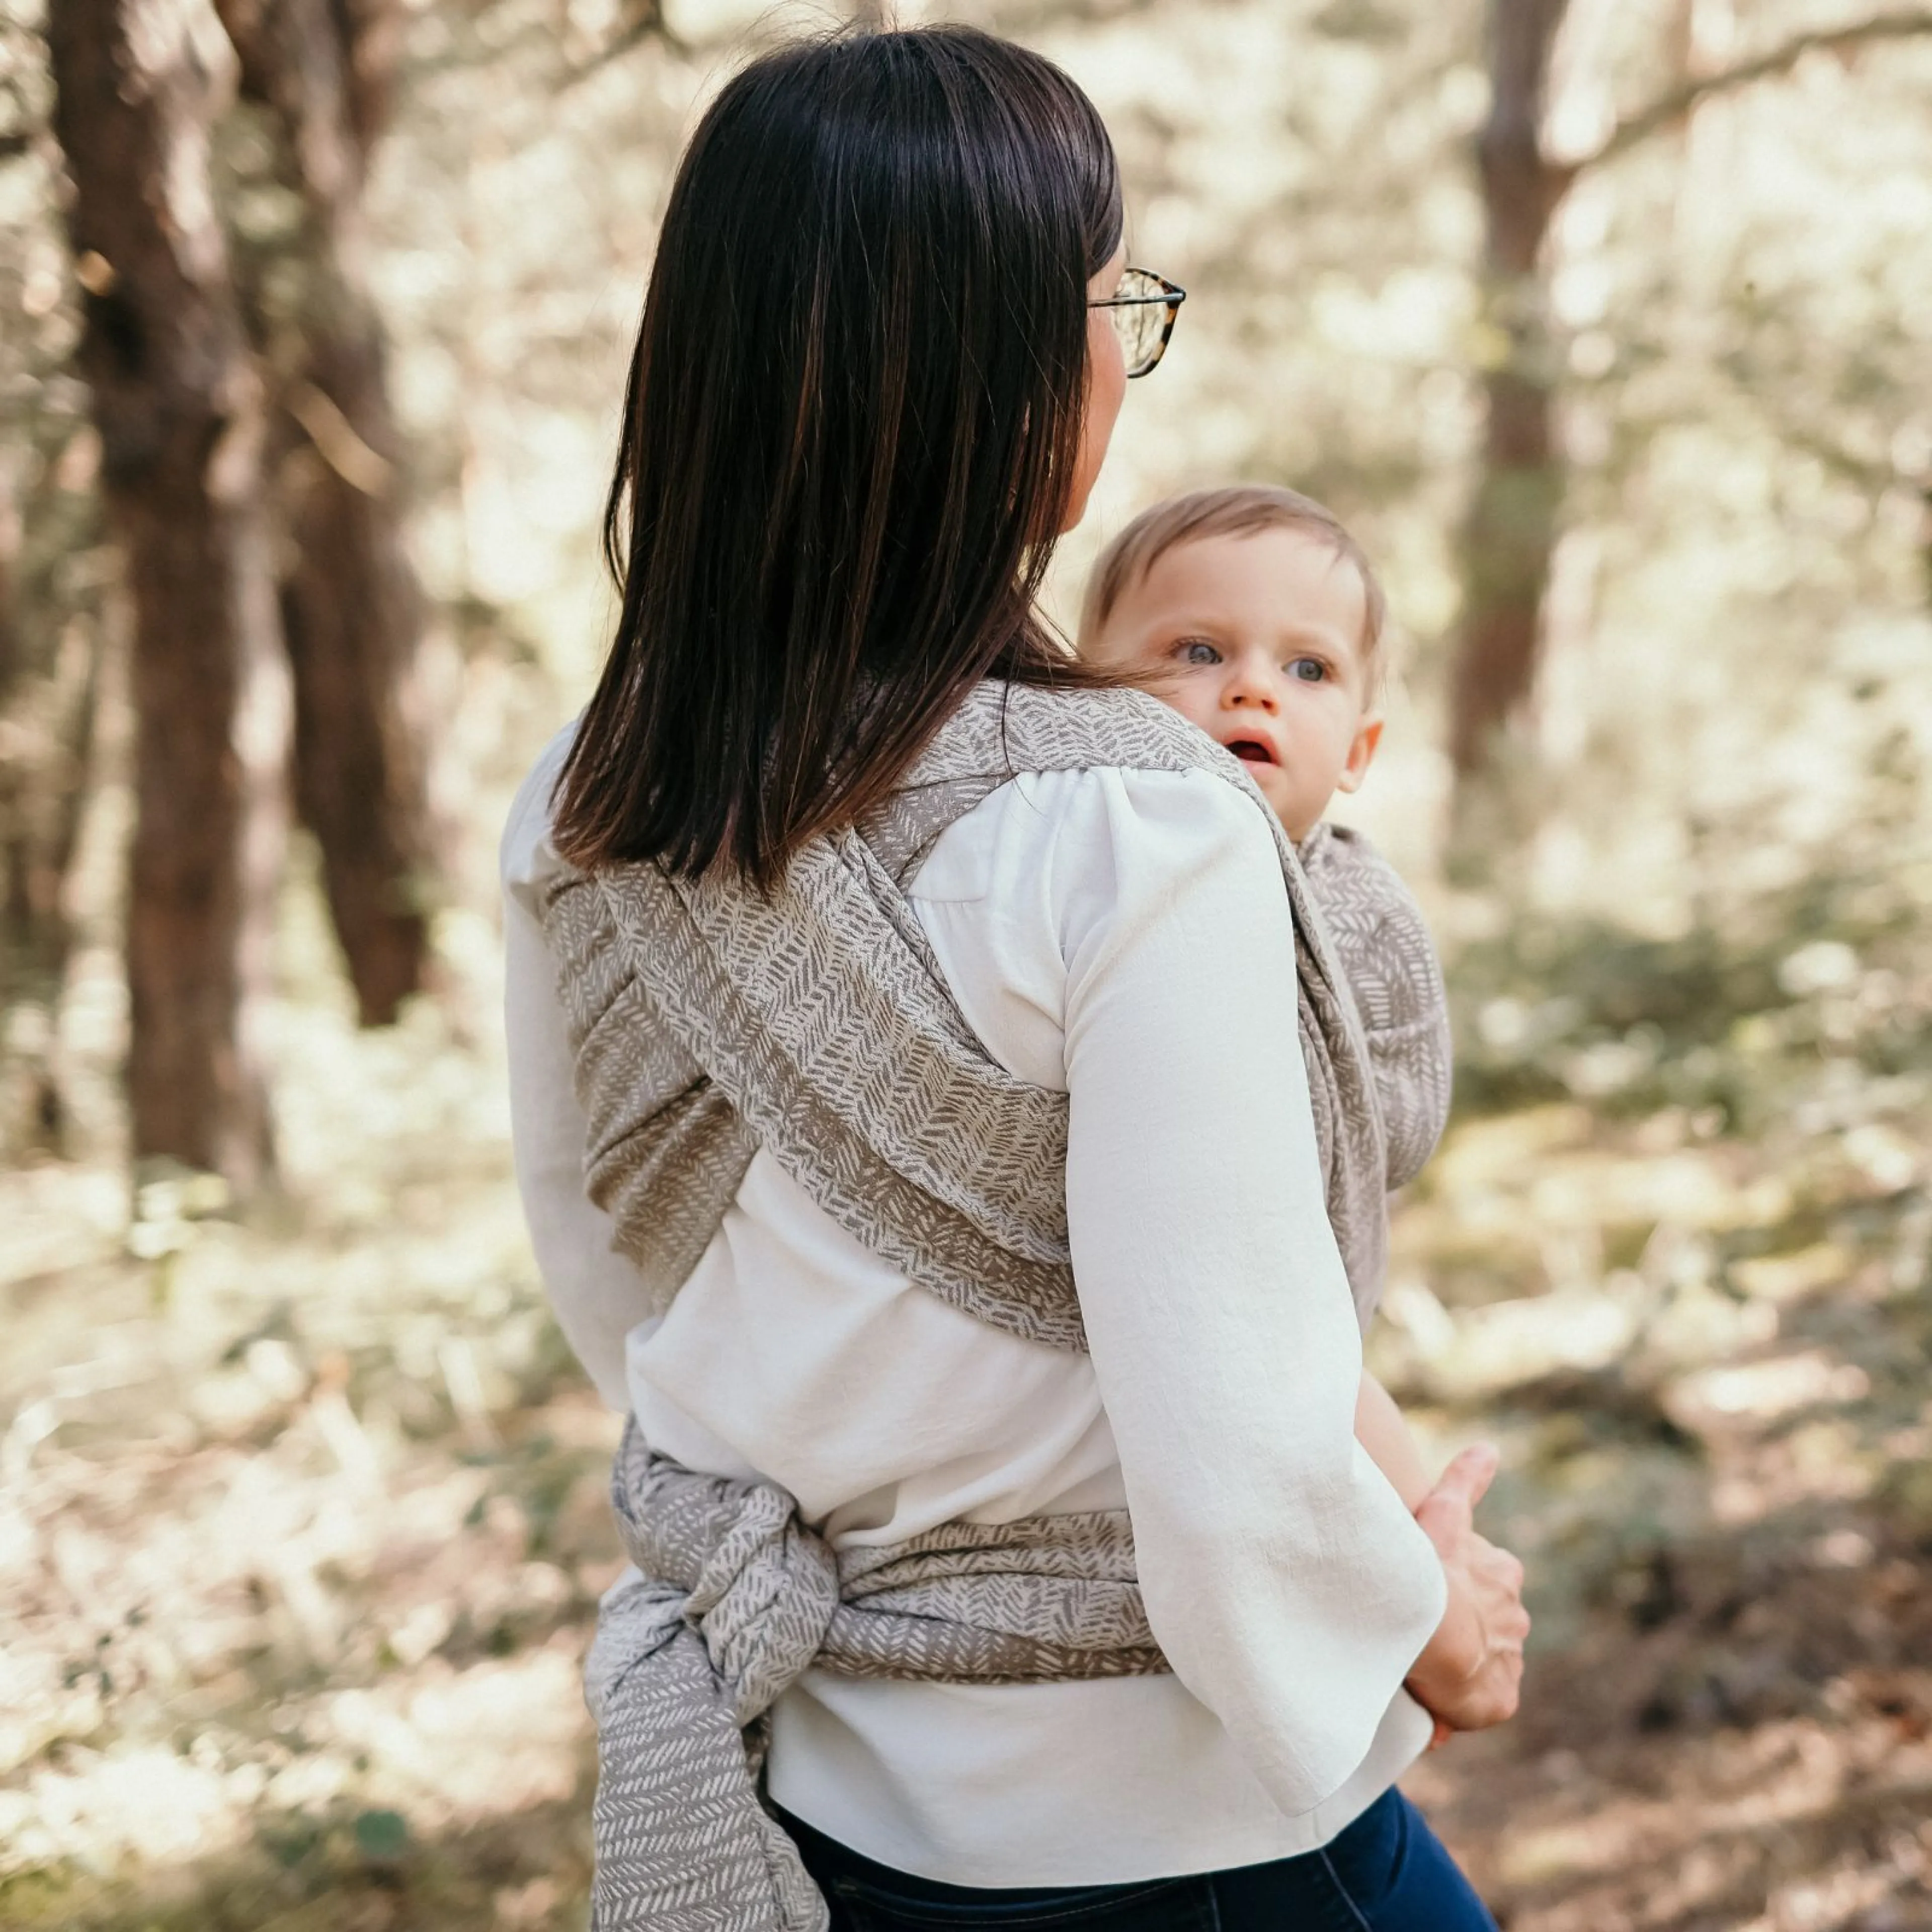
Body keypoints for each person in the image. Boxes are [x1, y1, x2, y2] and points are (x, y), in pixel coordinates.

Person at [500, 24, 1528, 1932]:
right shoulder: (1135, 835)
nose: (1116, 352)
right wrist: (1425, 1630)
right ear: (1001, 381)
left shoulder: (584, 809)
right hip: (1170, 1818)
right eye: (1103, 305)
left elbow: (614, 1273)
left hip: (817, 1793)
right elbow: (1230, 1422)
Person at [1078, 485, 1452, 1516]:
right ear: (1088, 694)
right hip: (1105, 1303)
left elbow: (1403, 1115)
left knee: (1368, 1462)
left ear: (1359, 752)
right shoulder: (1076, 861)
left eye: (1308, 668)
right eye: (1198, 653)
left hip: (1297, 1291)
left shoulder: (1359, 909)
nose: (1251, 691)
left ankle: (1442, 1575)